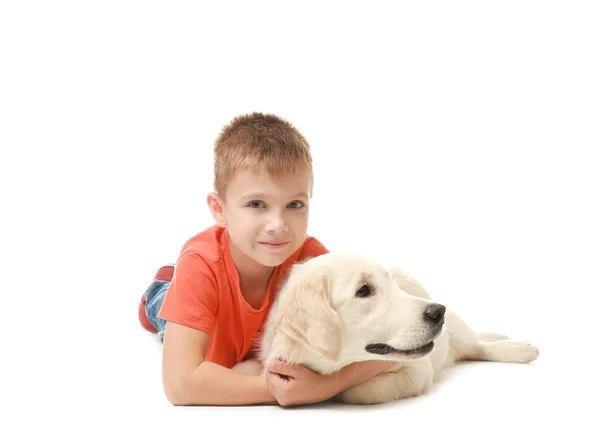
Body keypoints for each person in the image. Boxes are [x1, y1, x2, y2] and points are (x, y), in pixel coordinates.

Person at [138, 112, 391, 406]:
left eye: (294, 204)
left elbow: (387, 354)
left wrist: (324, 385)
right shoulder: (201, 265)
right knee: (163, 309)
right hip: (199, 314)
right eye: (256, 204)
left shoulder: (312, 263)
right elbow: (181, 385)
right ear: (219, 209)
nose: (278, 224)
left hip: (245, 342)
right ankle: (160, 288)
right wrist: (281, 390)